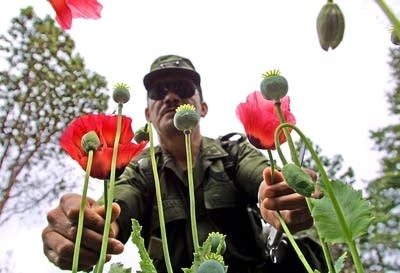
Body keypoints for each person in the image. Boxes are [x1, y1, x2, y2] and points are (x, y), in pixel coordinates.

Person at [42, 54, 327, 273]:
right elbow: (119, 205)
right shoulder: (140, 170)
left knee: (302, 252)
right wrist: (92, 228)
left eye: (183, 87)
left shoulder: (233, 153)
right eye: (158, 92)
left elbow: (262, 176)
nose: (171, 96)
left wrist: (282, 196)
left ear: (202, 107)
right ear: (147, 113)